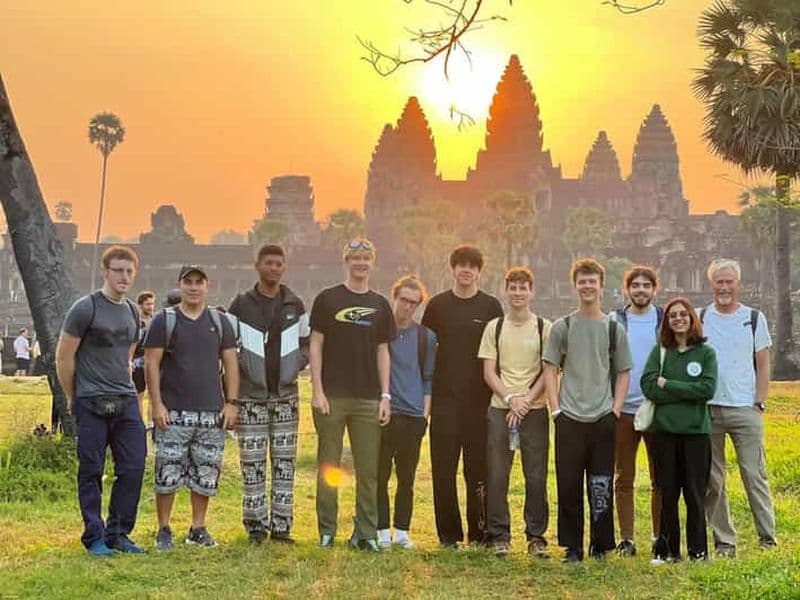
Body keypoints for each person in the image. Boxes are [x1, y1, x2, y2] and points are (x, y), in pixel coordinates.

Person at [55, 245, 146, 557]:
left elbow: (128, 353)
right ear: (105, 271)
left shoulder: (133, 311)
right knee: (91, 470)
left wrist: (129, 386)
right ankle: (94, 535)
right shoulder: (86, 308)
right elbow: (64, 356)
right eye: (118, 270)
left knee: (133, 467)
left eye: (129, 271)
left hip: (126, 399)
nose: (124, 276)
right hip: (90, 400)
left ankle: (118, 533)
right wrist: (72, 395)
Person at [542, 258, 632, 563]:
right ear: (575, 286)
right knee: (568, 484)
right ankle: (573, 546)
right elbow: (550, 368)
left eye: (592, 281)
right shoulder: (563, 327)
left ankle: (601, 544)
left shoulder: (613, 328)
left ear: (601, 286)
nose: (587, 286)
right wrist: (556, 409)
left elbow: (623, 371)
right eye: (582, 281)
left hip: (603, 416)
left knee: (600, 484)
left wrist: (616, 409)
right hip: (569, 416)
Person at [144, 265, 239, 551]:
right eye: (189, 282)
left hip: (211, 411)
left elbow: (231, 364)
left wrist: (232, 403)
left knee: (206, 473)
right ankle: (164, 528)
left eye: (199, 282)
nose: (194, 287)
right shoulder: (164, 320)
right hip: (173, 411)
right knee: (167, 472)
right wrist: (156, 403)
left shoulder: (220, 322)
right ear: (180, 285)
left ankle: (198, 527)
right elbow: (151, 363)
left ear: (207, 286)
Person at [310, 237, 395, 551]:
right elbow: (316, 345)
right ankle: (327, 530)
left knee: (368, 470)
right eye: (355, 258)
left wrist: (385, 396)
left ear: (373, 263)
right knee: (328, 464)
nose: (361, 263)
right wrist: (317, 391)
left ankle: (365, 533)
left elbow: (383, 351)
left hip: (368, 399)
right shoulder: (328, 299)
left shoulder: (380, 305)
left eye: (366, 258)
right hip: (332, 396)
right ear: (346, 261)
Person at [227, 244, 310, 544]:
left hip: (286, 396)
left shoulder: (294, 305)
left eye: (279, 263)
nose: (274, 268)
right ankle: (256, 527)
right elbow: (228, 348)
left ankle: (282, 526)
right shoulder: (241, 305)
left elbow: (307, 344)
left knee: (285, 464)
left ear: (284, 267)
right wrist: (243, 370)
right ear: (258, 266)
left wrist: (294, 364)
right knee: (252, 465)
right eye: (269, 263)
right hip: (251, 398)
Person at [422, 244, 503, 548]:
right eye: (461, 265)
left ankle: (479, 533)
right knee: (443, 472)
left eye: (472, 265)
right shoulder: (437, 306)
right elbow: (425, 351)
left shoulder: (491, 307)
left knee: (477, 471)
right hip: (444, 404)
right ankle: (449, 536)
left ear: (479, 271)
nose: (466, 270)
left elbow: (499, 354)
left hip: (479, 405)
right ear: (453, 269)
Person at [701, 258, 776, 557]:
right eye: (719, 282)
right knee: (713, 479)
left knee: (754, 474)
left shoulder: (754, 318)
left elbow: (763, 363)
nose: (724, 287)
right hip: (708, 409)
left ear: (738, 284)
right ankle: (724, 542)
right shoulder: (700, 317)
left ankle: (767, 537)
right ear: (711, 285)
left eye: (729, 282)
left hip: (745, 408)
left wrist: (759, 401)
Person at [479, 267, 552, 558]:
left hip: (535, 410)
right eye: (513, 288)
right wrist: (510, 399)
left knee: (536, 476)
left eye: (523, 288)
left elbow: (549, 371)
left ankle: (536, 537)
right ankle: (500, 535)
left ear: (532, 292)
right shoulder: (494, 327)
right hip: (501, 410)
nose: (518, 293)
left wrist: (525, 401)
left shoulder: (543, 327)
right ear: (505, 290)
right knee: (498, 475)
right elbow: (488, 372)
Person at [641, 297, 717, 563]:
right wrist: (685, 392)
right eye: (672, 315)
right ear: (667, 322)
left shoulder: (705, 353)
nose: (678, 319)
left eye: (683, 314)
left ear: (692, 318)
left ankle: (698, 551)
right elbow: (648, 386)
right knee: (668, 493)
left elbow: (707, 390)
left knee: (695, 494)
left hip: (696, 434)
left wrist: (669, 385)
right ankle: (667, 551)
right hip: (665, 433)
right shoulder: (661, 352)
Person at [376, 275, 436, 550]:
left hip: (413, 416)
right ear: (395, 298)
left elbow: (428, 379)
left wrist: (424, 416)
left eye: (414, 303)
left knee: (406, 477)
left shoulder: (426, 337)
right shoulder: (380, 333)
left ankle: (401, 531)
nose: (408, 307)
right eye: (404, 300)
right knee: (380, 475)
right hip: (386, 413)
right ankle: (381, 531)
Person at [609, 266, 663, 557]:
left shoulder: (664, 320)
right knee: (623, 477)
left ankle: (659, 536)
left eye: (646, 285)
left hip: (656, 408)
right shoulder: (615, 321)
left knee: (660, 477)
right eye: (636, 285)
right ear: (627, 289)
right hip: (623, 410)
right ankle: (627, 539)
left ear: (655, 289)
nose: (641, 290)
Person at [132, 291, 155, 420]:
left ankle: (152, 424)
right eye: (148, 304)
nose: (151, 307)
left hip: (153, 363)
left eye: (152, 304)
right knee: (139, 397)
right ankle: (140, 424)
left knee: (153, 396)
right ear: (140, 305)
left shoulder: (155, 321)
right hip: (138, 364)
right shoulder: (135, 322)